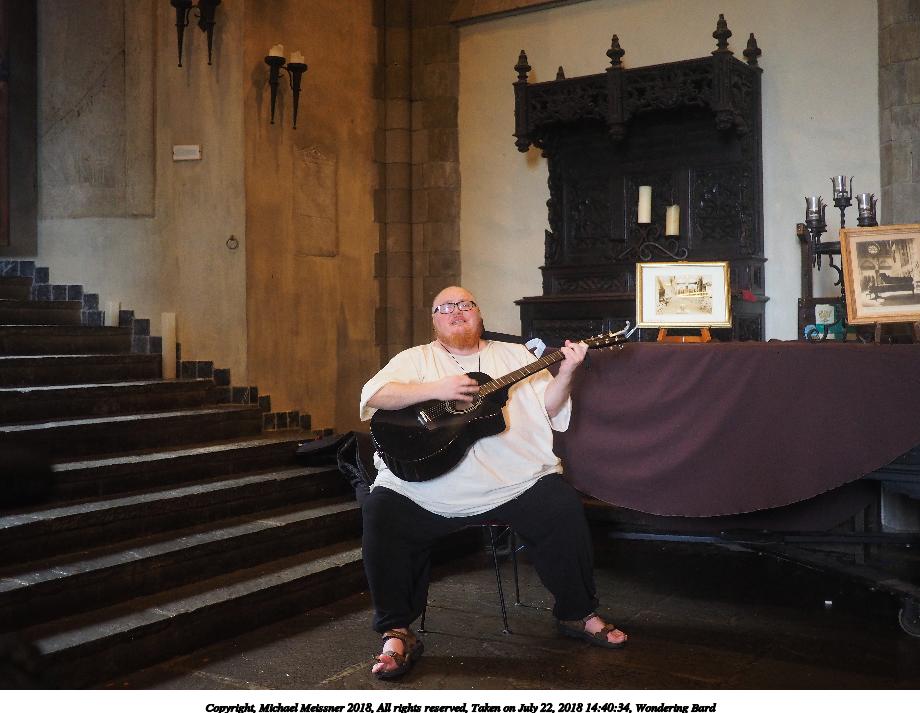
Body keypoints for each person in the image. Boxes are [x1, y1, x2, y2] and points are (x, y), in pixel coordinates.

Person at [359, 286, 628, 680]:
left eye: (464, 305)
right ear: (434, 320)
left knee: (560, 505)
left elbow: (549, 408)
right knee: (381, 510)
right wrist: (437, 389)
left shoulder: (516, 355)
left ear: (478, 314)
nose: (456, 312)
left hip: (514, 478)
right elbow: (375, 394)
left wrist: (569, 370)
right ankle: (397, 632)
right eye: (444, 308)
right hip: (427, 487)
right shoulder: (415, 359)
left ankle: (578, 613)